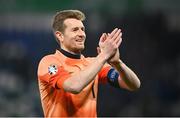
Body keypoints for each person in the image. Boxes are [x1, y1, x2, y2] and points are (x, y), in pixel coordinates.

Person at [37, 9, 141, 117]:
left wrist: (117, 63)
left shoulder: (93, 63)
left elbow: (134, 84)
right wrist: (103, 56)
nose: (81, 34)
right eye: (75, 30)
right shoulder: (49, 63)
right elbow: (74, 86)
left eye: (83, 29)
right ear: (60, 36)